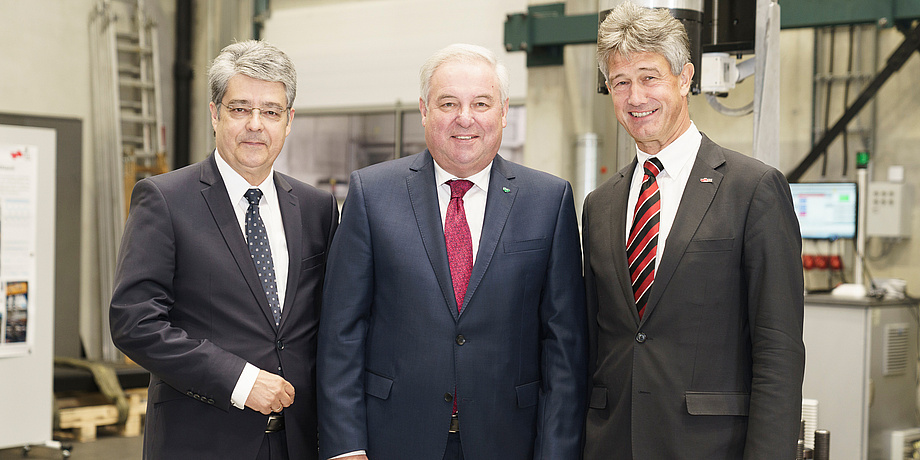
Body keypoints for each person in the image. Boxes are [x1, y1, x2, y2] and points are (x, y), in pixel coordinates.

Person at [317, 43, 587, 460]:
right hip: (391, 441)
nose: (465, 118)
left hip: (509, 442)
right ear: (424, 110)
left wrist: (556, 452)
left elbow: (564, 349)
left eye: (481, 102)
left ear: (503, 111)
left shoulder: (548, 200)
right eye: (448, 103)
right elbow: (341, 334)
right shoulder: (372, 194)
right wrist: (345, 446)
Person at [582, 3, 805, 459]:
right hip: (612, 443)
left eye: (649, 77)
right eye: (620, 82)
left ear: (684, 79)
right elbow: (595, 343)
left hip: (711, 447)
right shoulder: (599, 206)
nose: (635, 97)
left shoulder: (753, 190)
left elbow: (777, 352)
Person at [110, 40, 338, 460]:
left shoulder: (316, 207)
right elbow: (134, 321)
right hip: (201, 441)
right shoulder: (164, 199)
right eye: (240, 108)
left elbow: (328, 324)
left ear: (288, 121)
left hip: (297, 443)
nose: (255, 124)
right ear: (215, 114)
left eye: (270, 111)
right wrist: (239, 379)